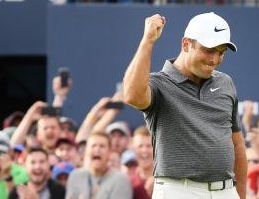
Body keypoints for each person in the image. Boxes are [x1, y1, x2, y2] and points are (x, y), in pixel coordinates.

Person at [123, 12, 247, 199]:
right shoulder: (159, 84)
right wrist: (148, 41)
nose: (214, 60)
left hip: (226, 190)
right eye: (208, 50)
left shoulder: (225, 82)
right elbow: (132, 96)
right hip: (178, 190)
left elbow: (236, 143)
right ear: (186, 44)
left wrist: (241, 194)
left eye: (221, 53)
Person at [66, 131, 132, 199]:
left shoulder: (121, 180)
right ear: (86, 151)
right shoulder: (75, 176)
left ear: (109, 152)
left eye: (102, 146)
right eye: (93, 146)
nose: (97, 150)